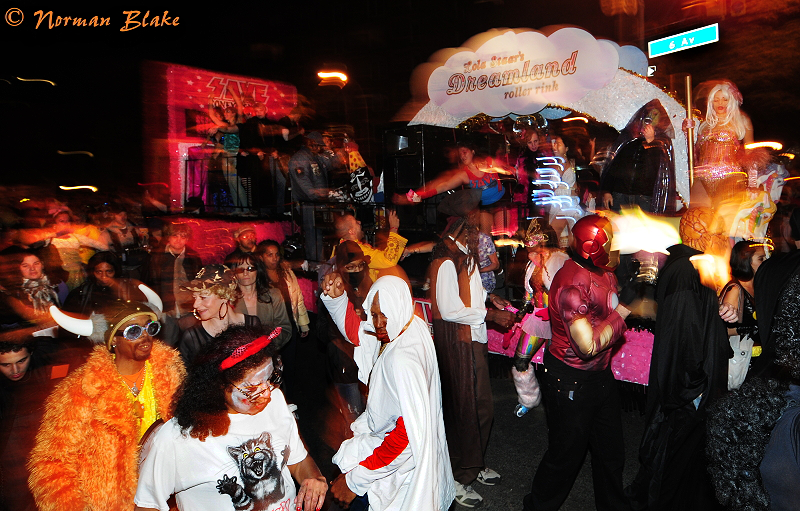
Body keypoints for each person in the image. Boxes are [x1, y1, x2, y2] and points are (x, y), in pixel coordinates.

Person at [134, 324, 328, 511]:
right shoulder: (178, 438)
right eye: (252, 388)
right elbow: (147, 505)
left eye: (269, 379)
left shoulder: (275, 401)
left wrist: (315, 479)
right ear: (219, 386)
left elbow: (298, 461)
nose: (267, 393)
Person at [28, 290, 185, 511]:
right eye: (133, 331)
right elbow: (53, 463)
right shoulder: (81, 390)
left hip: (166, 495)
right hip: (112, 502)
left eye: (150, 328)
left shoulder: (172, 375)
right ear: (113, 340)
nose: (145, 337)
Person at [522, 215, 633, 511]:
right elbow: (588, 346)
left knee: (611, 452)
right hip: (570, 378)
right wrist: (625, 308)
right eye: (609, 243)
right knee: (565, 456)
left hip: (600, 375)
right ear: (591, 246)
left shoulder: (602, 271)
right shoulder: (572, 283)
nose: (614, 248)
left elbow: (604, 310)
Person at [626, 207, 731, 511]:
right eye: (714, 229)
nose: (720, 236)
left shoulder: (692, 265)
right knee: (675, 464)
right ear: (698, 232)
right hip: (688, 389)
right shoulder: (687, 270)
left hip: (688, 387)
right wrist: (694, 386)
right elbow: (685, 335)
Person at [320, 274, 455, 511]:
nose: (379, 323)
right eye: (374, 314)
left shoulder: (402, 360)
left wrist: (355, 481)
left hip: (398, 465)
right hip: (393, 447)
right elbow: (360, 334)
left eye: (384, 315)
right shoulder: (410, 325)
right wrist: (338, 299)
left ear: (398, 308)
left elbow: (406, 437)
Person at [428, 217, 514, 508]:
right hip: (459, 345)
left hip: (474, 339)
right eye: (473, 230)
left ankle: (474, 464)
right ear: (460, 230)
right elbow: (449, 308)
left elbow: (469, 293)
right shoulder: (446, 259)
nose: (479, 236)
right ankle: (457, 476)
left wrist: (491, 299)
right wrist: (491, 315)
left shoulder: (464, 255)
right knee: (464, 410)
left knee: (481, 410)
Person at [600, 99, 677, 215]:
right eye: (648, 115)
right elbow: (614, 165)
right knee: (618, 226)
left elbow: (657, 170)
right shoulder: (628, 138)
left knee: (641, 227)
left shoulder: (662, 142)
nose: (650, 118)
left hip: (644, 198)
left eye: (655, 115)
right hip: (620, 194)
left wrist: (651, 142)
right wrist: (607, 190)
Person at [178, 264, 262, 367]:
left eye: (203, 297)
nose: (195, 305)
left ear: (225, 296)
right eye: (195, 297)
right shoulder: (192, 337)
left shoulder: (252, 324)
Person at [692, 81, 755, 204]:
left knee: (724, 213)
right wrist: (686, 132)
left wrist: (752, 183)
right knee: (697, 214)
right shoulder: (704, 125)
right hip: (702, 179)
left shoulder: (741, 121)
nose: (720, 103)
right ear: (711, 102)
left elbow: (751, 154)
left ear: (731, 101)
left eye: (724, 99)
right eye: (716, 100)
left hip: (729, 178)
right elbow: (695, 153)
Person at [718, 240, 767, 390]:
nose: (766, 262)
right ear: (746, 261)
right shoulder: (735, 289)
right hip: (740, 361)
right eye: (761, 259)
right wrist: (753, 328)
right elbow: (721, 329)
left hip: (752, 361)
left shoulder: (758, 288)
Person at [225, 253, 291, 356]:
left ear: (258, 271)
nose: (245, 273)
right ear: (234, 273)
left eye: (250, 268)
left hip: (267, 354)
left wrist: (265, 346)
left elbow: (284, 328)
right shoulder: (227, 299)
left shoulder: (274, 295)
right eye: (240, 269)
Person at [142, 221, 203, 320]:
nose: (178, 240)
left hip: (188, 308)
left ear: (187, 239)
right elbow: (147, 282)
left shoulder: (193, 258)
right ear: (168, 237)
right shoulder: (156, 257)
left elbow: (200, 282)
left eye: (183, 237)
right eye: (175, 236)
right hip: (165, 308)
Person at [289, 131, 332, 262]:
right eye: (317, 145)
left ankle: (319, 261)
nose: (319, 148)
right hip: (308, 204)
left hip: (316, 202)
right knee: (313, 235)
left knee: (318, 234)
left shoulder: (314, 157)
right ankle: (314, 263)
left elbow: (331, 164)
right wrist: (316, 194)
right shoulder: (300, 158)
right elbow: (303, 182)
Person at [62, 250, 146, 316]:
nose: (104, 276)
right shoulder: (81, 293)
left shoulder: (130, 290)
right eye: (99, 272)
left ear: (116, 271)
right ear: (92, 272)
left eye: (109, 271)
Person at [332, 210, 407, 281]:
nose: (360, 222)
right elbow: (388, 260)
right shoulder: (356, 250)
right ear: (351, 231)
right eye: (356, 222)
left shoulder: (340, 247)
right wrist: (394, 228)